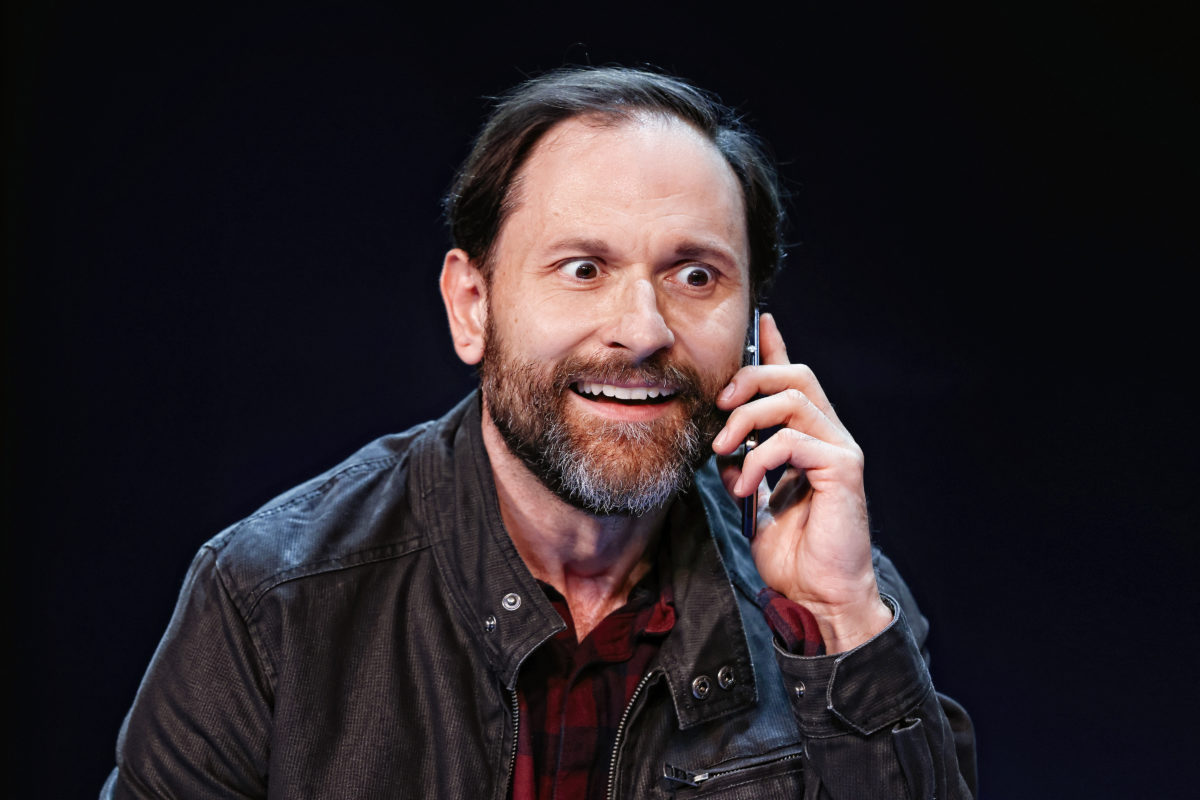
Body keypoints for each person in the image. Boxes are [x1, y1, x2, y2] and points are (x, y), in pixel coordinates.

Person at [102, 66, 976, 799]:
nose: (642, 329)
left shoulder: (835, 604)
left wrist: (842, 621)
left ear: (754, 328)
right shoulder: (271, 601)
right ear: (472, 307)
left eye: (696, 274)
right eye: (584, 268)